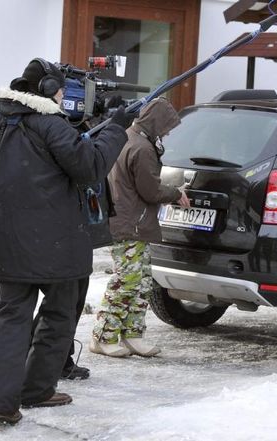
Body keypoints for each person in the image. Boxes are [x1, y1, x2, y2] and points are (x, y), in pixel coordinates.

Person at [0, 57, 131, 426]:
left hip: (8, 241)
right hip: (57, 243)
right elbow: (89, 167)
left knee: (11, 315)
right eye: (59, 90)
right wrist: (116, 128)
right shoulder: (51, 125)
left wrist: (15, 196)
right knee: (59, 313)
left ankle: (1, 404)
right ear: (44, 91)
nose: (62, 96)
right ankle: (37, 389)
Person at [90, 97, 190, 358]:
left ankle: (133, 335)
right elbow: (151, 189)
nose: (167, 132)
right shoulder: (142, 148)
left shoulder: (129, 138)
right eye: (167, 126)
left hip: (131, 221)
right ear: (156, 123)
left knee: (142, 281)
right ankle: (104, 335)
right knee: (127, 280)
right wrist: (175, 193)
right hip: (131, 223)